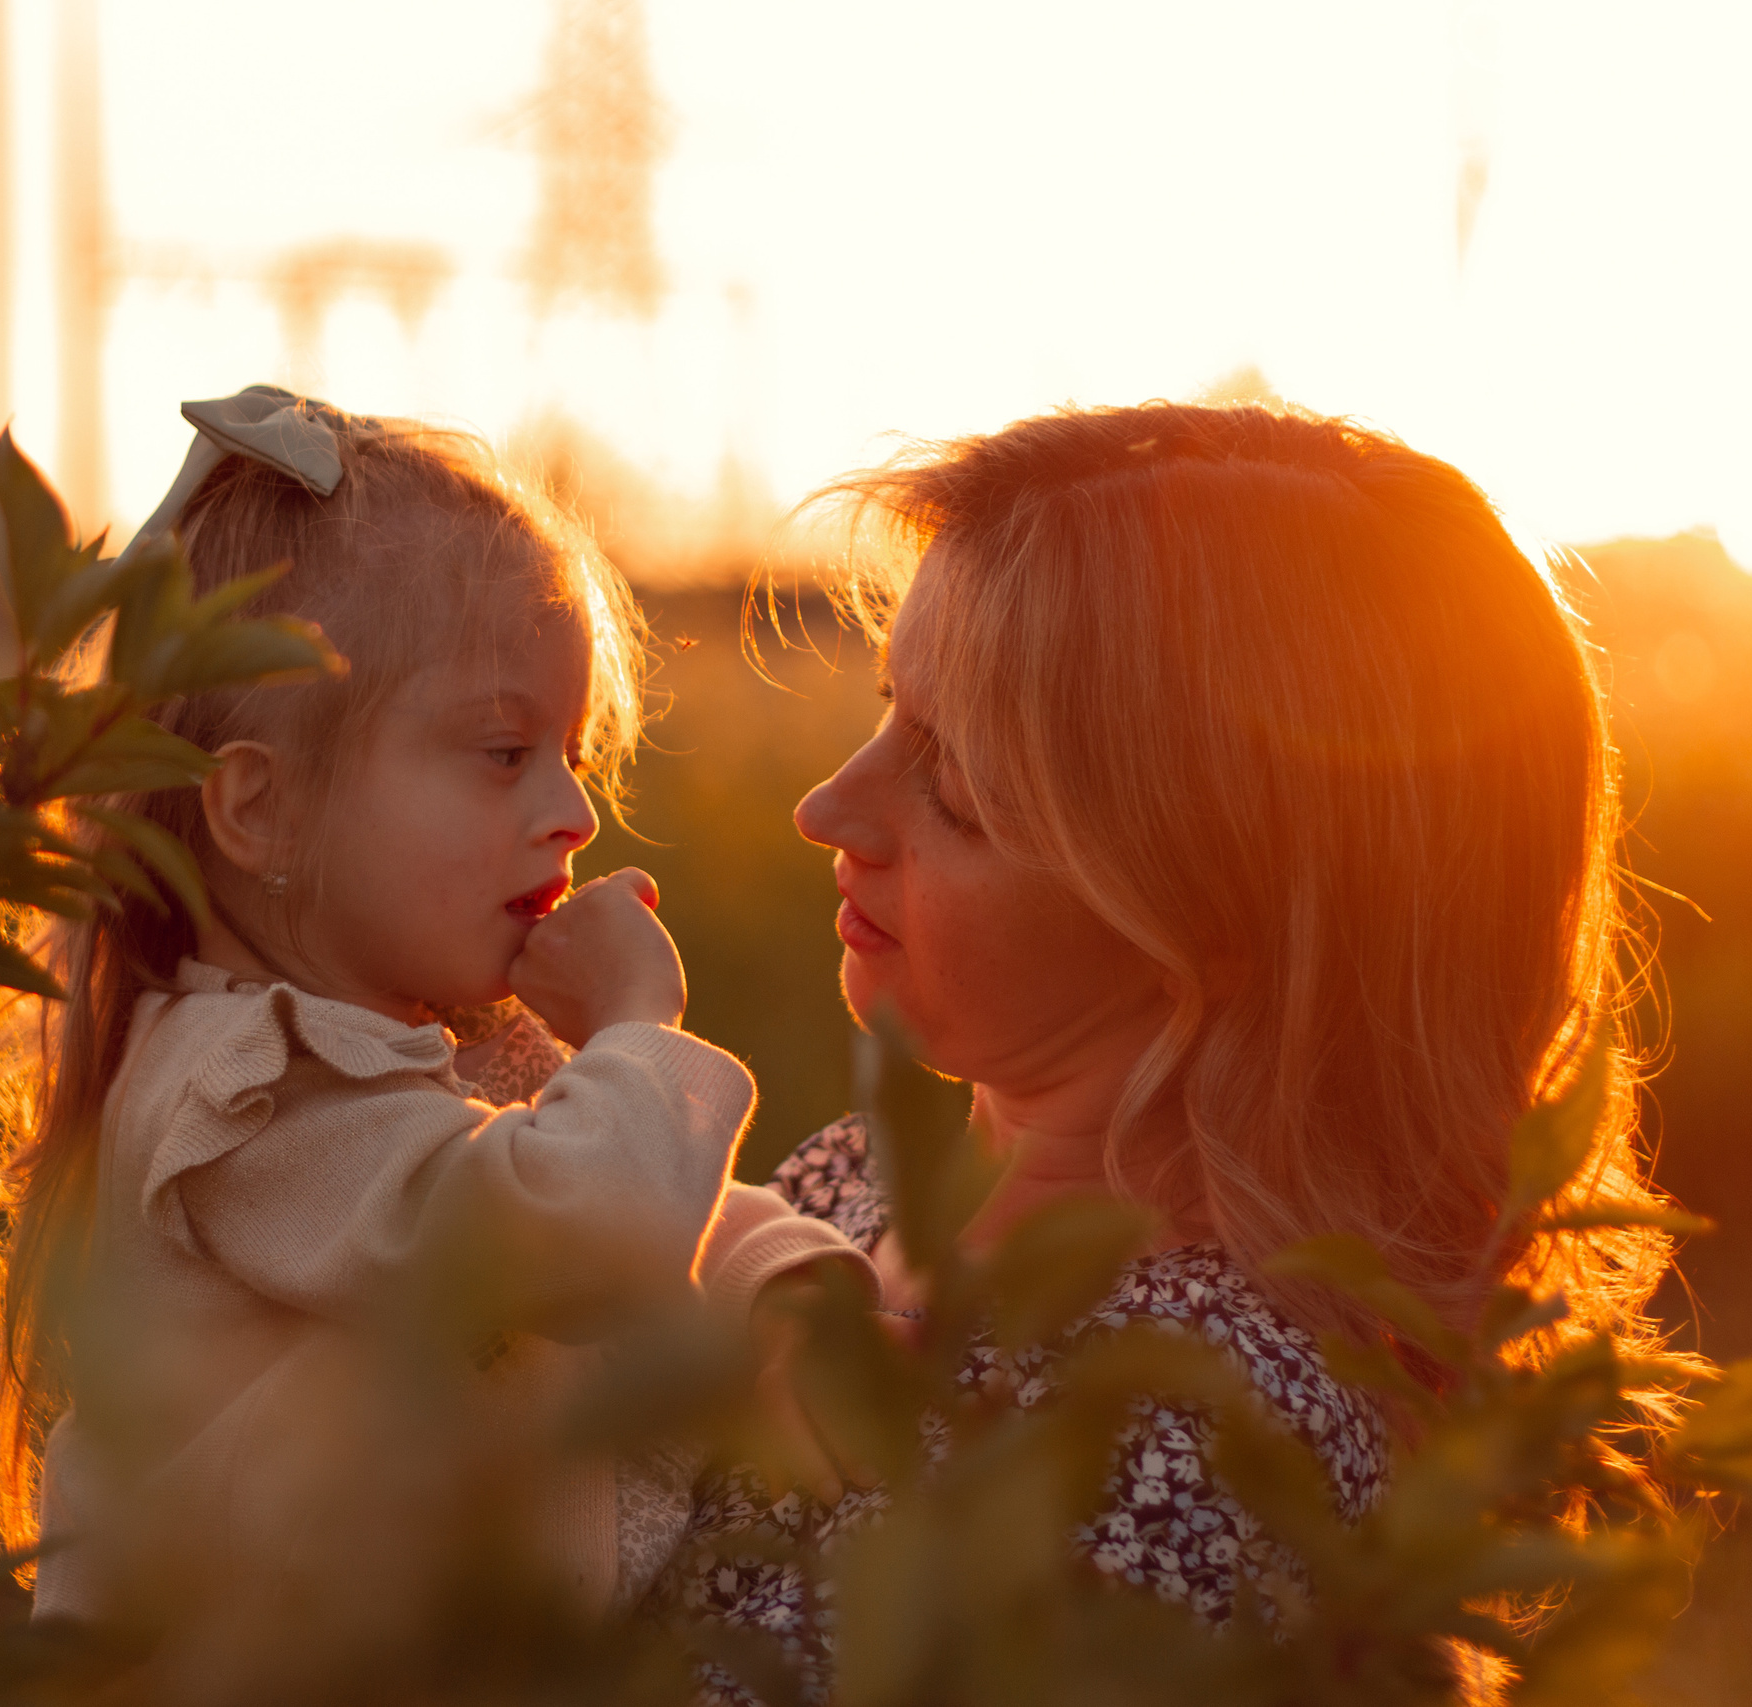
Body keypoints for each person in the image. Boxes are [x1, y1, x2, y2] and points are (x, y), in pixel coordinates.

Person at [653, 401, 1688, 1699]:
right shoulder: (851, 1179)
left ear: (1219, 914)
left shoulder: (1188, 1439)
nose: (830, 807)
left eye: (958, 783)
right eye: (886, 712)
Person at [0, 388, 875, 1670]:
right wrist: (635, 1023)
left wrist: (787, 1275)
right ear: (258, 810)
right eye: (502, 754)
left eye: (575, 758)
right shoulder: (236, 1100)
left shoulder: (420, 1037)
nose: (569, 813)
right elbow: (575, 1230)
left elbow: (647, 1194)